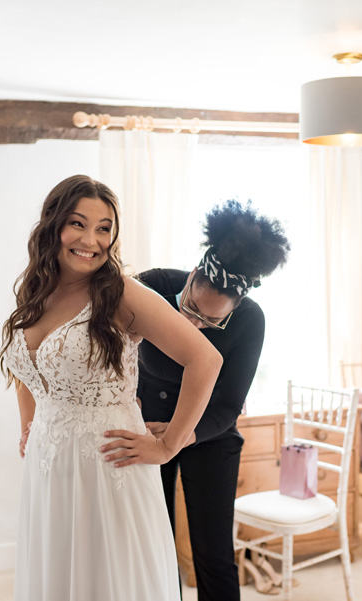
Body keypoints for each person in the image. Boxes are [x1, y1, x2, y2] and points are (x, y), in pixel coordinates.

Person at [0, 175, 223, 601]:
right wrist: (29, 423)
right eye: (78, 224)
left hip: (107, 467)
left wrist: (168, 445)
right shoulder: (35, 292)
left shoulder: (120, 293)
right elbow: (28, 368)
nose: (92, 239)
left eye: (104, 228)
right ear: (53, 226)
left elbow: (206, 360)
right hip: (49, 467)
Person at [105, 200, 290, 601]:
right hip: (146, 428)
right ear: (190, 277)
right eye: (189, 309)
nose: (193, 327)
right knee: (155, 542)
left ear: (235, 310)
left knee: (213, 553)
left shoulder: (250, 321)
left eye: (210, 323)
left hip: (209, 435)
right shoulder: (151, 286)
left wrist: (178, 435)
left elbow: (228, 406)